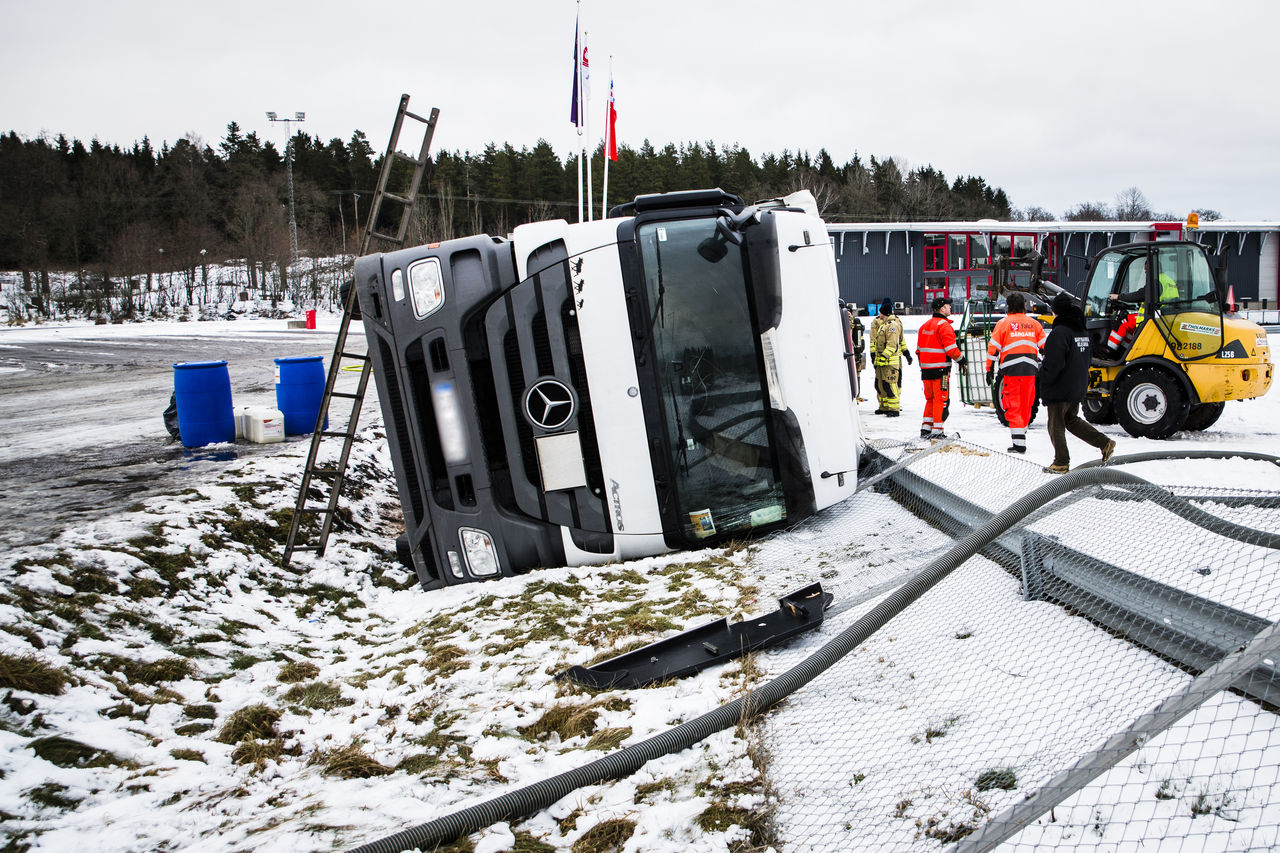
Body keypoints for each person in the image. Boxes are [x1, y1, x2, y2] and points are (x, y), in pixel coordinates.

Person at [1039, 292, 1117, 473]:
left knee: (1055, 424)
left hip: (1060, 386)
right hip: (1077, 384)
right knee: (1071, 420)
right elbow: (1087, 357)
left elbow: (1054, 364)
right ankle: (1104, 443)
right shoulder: (1081, 330)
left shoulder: (1060, 333)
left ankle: (1061, 462)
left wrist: (1042, 376)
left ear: (1056, 311)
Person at [985, 292, 1046, 454]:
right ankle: (1021, 434)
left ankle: (1019, 444)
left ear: (1009, 306)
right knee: (1027, 404)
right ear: (1024, 305)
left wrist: (989, 368)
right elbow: (1044, 347)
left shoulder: (1003, 323)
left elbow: (993, 348)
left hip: (1011, 370)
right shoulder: (1034, 324)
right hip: (1030, 370)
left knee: (1012, 405)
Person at [916, 296, 965, 438]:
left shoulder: (924, 326)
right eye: (949, 306)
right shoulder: (944, 326)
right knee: (940, 399)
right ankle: (937, 431)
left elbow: (919, 350)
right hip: (941, 371)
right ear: (942, 308)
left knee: (930, 399)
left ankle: (926, 428)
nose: (950, 308)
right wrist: (962, 360)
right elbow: (951, 349)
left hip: (926, 371)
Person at [870, 298, 910, 416]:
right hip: (882, 360)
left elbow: (894, 344)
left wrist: (906, 353)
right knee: (880, 384)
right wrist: (875, 356)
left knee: (891, 384)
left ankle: (894, 408)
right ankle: (885, 406)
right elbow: (874, 341)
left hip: (890, 360)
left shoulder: (893, 324)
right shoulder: (882, 323)